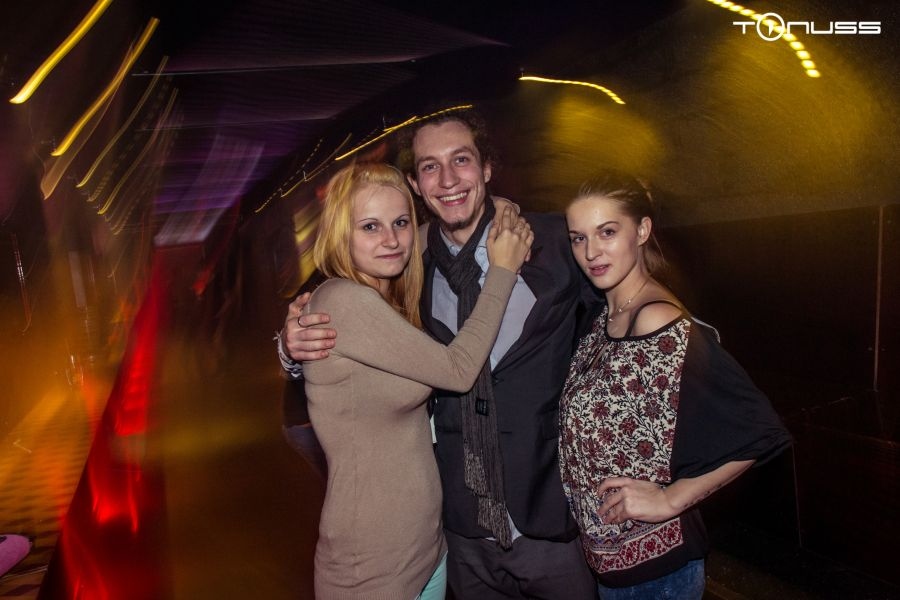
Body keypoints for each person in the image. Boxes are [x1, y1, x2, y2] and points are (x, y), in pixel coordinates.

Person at [281, 108, 599, 599]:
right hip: (458, 528)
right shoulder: (411, 263)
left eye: (461, 160)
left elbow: (620, 315)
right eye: (430, 166)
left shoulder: (552, 243)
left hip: (546, 517)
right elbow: (323, 313)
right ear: (416, 184)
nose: (448, 179)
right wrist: (288, 348)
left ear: (487, 168)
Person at [296, 162, 532, 600]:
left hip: (425, 549)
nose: (391, 239)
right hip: (370, 564)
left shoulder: (386, 294)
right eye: (370, 226)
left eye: (400, 222)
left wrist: (502, 208)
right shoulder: (344, 300)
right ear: (341, 235)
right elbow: (459, 369)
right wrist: (502, 271)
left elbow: (451, 223)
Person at [561, 169, 792, 599]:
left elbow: (759, 431)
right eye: (578, 238)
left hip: (657, 577)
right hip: (610, 568)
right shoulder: (604, 317)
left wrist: (669, 500)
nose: (591, 251)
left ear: (642, 230)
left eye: (607, 232)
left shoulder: (657, 320)